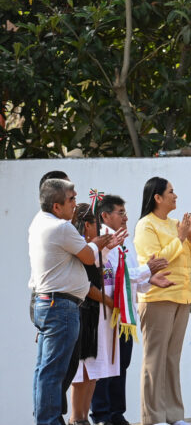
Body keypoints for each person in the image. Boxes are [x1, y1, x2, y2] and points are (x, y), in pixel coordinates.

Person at [91, 194, 172, 425]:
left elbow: (131, 278)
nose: (125, 217)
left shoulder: (123, 241)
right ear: (105, 216)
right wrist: (147, 270)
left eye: (126, 212)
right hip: (105, 313)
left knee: (121, 362)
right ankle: (102, 414)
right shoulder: (102, 241)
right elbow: (119, 278)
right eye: (120, 212)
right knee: (105, 363)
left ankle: (116, 413)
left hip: (124, 313)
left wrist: (150, 278)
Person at [29, 178, 100, 425]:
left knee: (45, 370)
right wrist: (95, 244)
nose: (75, 203)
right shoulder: (62, 227)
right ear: (57, 207)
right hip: (60, 307)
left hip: (48, 304)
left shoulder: (39, 222)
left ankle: (46, 419)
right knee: (54, 371)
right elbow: (89, 257)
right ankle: (50, 421)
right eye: (71, 199)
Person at [134, 177, 191, 425]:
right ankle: (153, 417)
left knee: (172, 358)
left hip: (182, 296)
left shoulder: (176, 224)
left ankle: (174, 415)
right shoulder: (146, 225)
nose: (176, 196)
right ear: (158, 198)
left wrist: (190, 237)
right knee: (155, 359)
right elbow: (156, 261)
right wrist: (181, 238)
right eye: (171, 192)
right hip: (157, 298)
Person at [68, 201, 119, 425]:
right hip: (81, 313)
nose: (100, 229)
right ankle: (76, 418)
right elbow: (87, 286)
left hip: (94, 317)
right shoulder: (79, 247)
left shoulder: (92, 248)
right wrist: (110, 301)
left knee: (93, 371)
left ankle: (83, 418)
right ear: (87, 225)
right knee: (80, 372)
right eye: (96, 224)